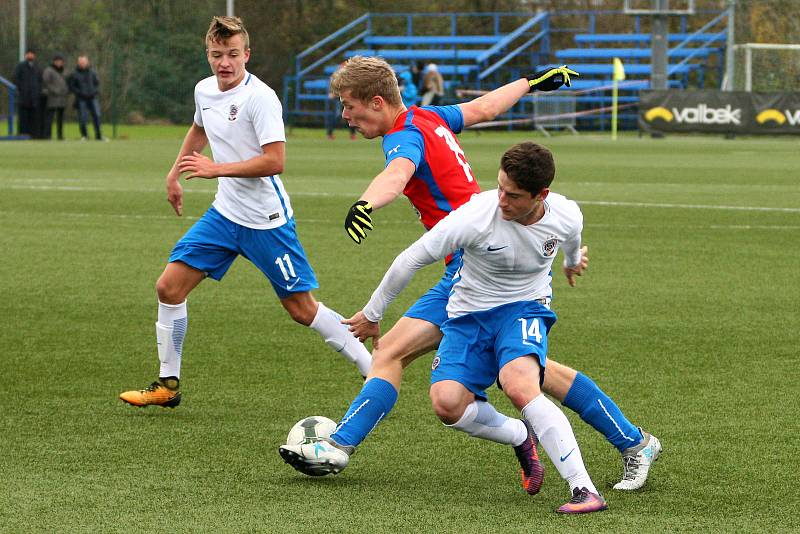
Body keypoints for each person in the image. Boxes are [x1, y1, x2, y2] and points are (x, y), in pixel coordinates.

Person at [279, 57, 660, 492]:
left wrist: (367, 202)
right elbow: (484, 109)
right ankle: (616, 440)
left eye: (349, 106)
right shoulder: (429, 117)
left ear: (378, 102)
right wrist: (531, 81)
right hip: (482, 255)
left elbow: (397, 174)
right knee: (529, 374)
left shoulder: (403, 135)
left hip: (475, 264)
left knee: (398, 357)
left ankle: (340, 445)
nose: (345, 115)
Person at [333, 142, 608, 513]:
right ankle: (520, 435)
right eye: (499, 187)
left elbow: (572, 240)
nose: (501, 200)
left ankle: (583, 489)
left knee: (518, 383)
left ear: (541, 195)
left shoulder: (566, 213)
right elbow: (410, 259)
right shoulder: (475, 216)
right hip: (468, 316)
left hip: (524, 309)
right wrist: (372, 312)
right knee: (447, 404)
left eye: (513, 195)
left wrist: (572, 263)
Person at [119, 16, 372, 408]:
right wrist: (174, 173)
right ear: (208, 55)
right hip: (224, 216)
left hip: (267, 222)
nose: (225, 62)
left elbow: (275, 161)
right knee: (168, 287)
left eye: (233, 55)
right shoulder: (204, 90)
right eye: (217, 54)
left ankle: (372, 370)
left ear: (246, 55)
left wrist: (214, 169)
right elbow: (199, 129)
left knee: (302, 310)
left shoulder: (261, 98)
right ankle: (167, 385)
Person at [68, 55, 104, 141]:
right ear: (78, 63)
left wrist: (95, 92)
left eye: (84, 62)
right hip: (81, 99)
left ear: (87, 62)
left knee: (97, 116)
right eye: (81, 62)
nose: (83, 64)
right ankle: (84, 136)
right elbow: (72, 86)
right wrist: (79, 93)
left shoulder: (93, 73)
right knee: (83, 118)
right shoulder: (74, 74)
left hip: (92, 98)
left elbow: (97, 84)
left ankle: (99, 136)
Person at [13, 48, 43, 138]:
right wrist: (21, 90)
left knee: (33, 118)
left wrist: (38, 91)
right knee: (23, 117)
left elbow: (40, 81)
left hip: (34, 97)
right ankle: (22, 134)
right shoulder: (20, 66)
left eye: (32, 54)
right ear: (26, 55)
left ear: (34, 55)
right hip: (23, 97)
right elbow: (15, 79)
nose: (30, 55)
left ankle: (33, 135)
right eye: (28, 54)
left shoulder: (37, 67)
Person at [326, 63, 356, 140]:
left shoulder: (351, 78)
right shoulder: (335, 78)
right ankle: (329, 134)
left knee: (351, 116)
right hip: (338, 99)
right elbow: (331, 91)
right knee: (337, 115)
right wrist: (332, 94)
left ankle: (352, 134)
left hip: (348, 99)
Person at [42, 54, 69, 140]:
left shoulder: (65, 71)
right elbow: (46, 83)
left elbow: (67, 82)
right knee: (49, 118)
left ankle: (60, 135)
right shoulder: (48, 70)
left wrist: (66, 91)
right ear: (54, 62)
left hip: (62, 98)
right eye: (57, 61)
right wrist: (54, 90)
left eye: (61, 61)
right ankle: (47, 135)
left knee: (60, 119)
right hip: (52, 97)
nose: (59, 63)